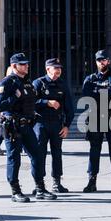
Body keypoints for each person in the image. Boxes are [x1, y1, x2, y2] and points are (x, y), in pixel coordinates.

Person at [0, 53, 57, 203]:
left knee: (37, 156)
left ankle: (40, 189)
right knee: (14, 159)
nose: (26, 66)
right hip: (13, 127)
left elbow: (32, 101)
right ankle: (15, 191)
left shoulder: (28, 82)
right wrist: (15, 96)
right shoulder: (7, 83)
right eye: (23, 64)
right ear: (14, 66)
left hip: (27, 125)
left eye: (26, 63)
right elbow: (0, 105)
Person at [82, 50, 111, 193]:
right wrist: (107, 91)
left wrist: (98, 91)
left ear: (109, 61)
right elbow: (87, 94)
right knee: (94, 150)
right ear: (96, 62)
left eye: (104, 60)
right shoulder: (89, 78)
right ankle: (91, 181)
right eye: (99, 60)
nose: (102, 62)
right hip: (95, 118)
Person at [33, 58, 75, 194]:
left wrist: (67, 125)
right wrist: (47, 102)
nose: (58, 71)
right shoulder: (38, 83)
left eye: (59, 68)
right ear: (48, 69)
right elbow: (30, 103)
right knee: (40, 154)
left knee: (57, 153)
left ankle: (57, 183)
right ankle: (39, 184)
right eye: (55, 68)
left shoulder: (62, 85)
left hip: (57, 124)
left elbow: (69, 107)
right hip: (40, 124)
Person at [0, 66, 14, 156]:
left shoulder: (16, 82)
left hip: (13, 111)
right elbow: (0, 100)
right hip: (6, 111)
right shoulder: (4, 83)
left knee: (6, 129)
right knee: (4, 129)